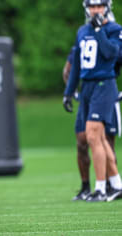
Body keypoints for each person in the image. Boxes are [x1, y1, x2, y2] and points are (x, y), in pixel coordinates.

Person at [63, 0, 122, 202]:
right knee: (98, 138)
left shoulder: (115, 29)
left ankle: (100, 189)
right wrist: (68, 92)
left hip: (104, 84)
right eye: (93, 6)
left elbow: (111, 53)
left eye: (99, 6)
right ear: (87, 8)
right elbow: (77, 66)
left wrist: (98, 30)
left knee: (93, 136)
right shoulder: (82, 31)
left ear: (107, 8)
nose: (96, 10)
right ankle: (117, 185)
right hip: (87, 87)